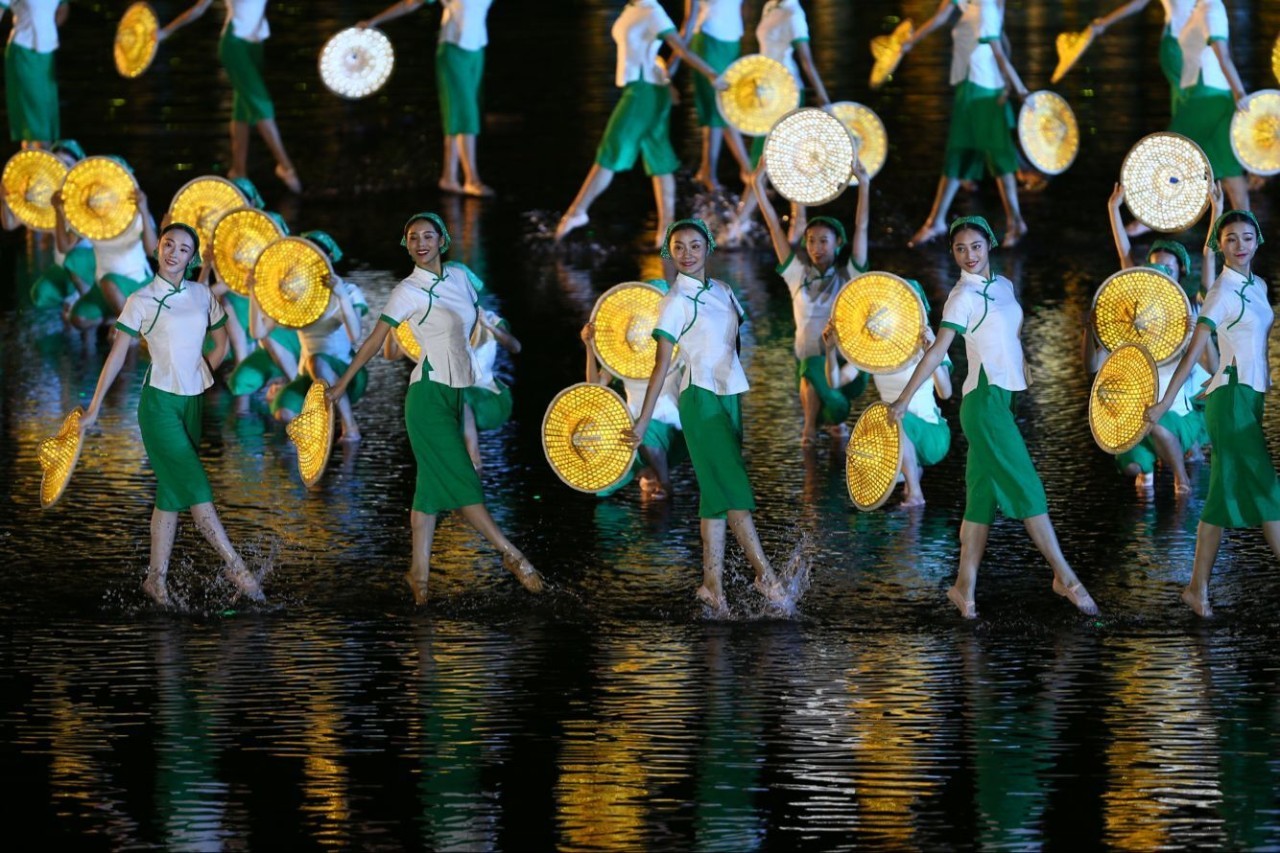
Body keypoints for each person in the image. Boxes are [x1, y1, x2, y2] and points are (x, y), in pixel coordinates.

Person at [327, 212, 543, 604]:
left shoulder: (460, 277)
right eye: (413, 237)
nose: (421, 243)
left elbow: (473, 327)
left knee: (428, 494)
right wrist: (343, 382)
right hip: (427, 397)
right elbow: (376, 341)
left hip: (456, 394)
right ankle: (512, 555)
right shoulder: (408, 290)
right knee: (466, 485)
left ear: (442, 240)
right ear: (407, 245)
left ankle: (419, 576)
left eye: (428, 236)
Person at [888, 216, 1098, 619]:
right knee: (1028, 487)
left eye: (975, 246)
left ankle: (964, 588)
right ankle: (1065, 577)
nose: (969, 255)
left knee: (980, 500)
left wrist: (1024, 368)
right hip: (983, 404)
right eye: (960, 248)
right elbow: (937, 352)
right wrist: (903, 398)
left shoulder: (1004, 286)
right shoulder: (960, 297)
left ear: (990, 246)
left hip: (1005, 400)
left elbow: (1008, 337)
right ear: (953, 253)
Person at [79, 223, 263, 606]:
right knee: (197, 489)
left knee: (170, 493)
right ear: (158, 248)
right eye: (168, 244)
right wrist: (94, 406)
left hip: (192, 403)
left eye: (183, 249)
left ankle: (155, 580)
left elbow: (222, 342)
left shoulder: (202, 294)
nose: (173, 253)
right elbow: (117, 355)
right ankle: (237, 568)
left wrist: (203, 372)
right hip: (159, 405)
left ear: (192, 258)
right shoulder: (141, 299)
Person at [625, 219, 786, 615]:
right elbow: (661, 365)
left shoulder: (725, 291)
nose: (687, 253)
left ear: (708, 248)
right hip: (699, 399)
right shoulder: (675, 301)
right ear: (669, 252)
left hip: (730, 396)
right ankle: (765, 575)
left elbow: (734, 341)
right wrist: (643, 420)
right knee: (734, 486)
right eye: (678, 247)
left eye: (695, 246)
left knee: (715, 493)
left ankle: (712, 585)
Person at [1146, 190, 1280, 617]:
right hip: (1231, 399)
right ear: (1219, 246)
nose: (1239, 246)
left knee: (1221, 497)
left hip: (1249, 397)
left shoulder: (1258, 285)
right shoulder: (1221, 291)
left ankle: (1197, 589)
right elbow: (1193, 352)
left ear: (1257, 241)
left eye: (1246, 238)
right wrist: (1166, 401)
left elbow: (1254, 340)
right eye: (1230, 239)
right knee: (1268, 488)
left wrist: (1260, 374)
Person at [554, 0, 729, 249]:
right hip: (646, 88)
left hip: (644, 92)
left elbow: (681, 49)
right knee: (659, 159)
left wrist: (711, 74)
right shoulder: (633, 8)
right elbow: (650, 53)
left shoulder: (653, 12)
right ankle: (666, 230)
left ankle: (578, 210)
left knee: (611, 149)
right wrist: (665, 79)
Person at [1095, 182, 1211, 494]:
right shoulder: (1137, 307)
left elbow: (1209, 266)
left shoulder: (1191, 310)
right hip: (1142, 399)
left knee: (1157, 422)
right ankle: (1154, 468)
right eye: (1154, 266)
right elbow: (1125, 257)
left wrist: (1216, 212)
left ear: (1180, 273)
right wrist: (1114, 208)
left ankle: (1181, 478)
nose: (1160, 272)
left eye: (1168, 268)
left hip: (1175, 403)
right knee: (1133, 467)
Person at [751, 158, 870, 446]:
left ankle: (812, 429)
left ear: (838, 243)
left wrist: (864, 184)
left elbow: (862, 228)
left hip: (842, 365)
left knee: (831, 402)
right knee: (810, 370)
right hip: (806, 364)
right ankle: (818, 425)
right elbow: (774, 229)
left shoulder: (849, 276)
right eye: (811, 240)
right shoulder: (797, 275)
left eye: (824, 241)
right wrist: (757, 184)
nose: (816, 247)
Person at [901, 0, 1030, 249]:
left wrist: (1016, 87)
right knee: (962, 152)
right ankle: (936, 221)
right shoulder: (972, 5)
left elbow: (999, 50)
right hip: (970, 86)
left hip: (983, 91)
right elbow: (940, 18)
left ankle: (1014, 221)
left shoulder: (985, 9)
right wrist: (910, 41)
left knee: (996, 156)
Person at [158, 0, 302, 193]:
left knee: (242, 109)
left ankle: (238, 171)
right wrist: (165, 32)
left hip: (255, 47)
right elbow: (199, 9)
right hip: (234, 46)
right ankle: (285, 167)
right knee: (262, 105)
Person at [358, 0, 495, 197]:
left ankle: (449, 177)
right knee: (466, 113)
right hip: (453, 49)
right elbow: (410, 3)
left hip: (477, 50)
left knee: (458, 113)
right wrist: (374, 21)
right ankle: (472, 180)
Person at [725, 0, 832, 244]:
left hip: (787, 93)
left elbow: (806, 61)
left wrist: (823, 97)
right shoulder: (771, 6)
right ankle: (785, 222)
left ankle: (742, 224)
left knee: (779, 160)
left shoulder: (794, 15)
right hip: (767, 93)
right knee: (771, 160)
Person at [251, 230, 365, 441]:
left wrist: (341, 296)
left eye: (318, 255)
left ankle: (350, 427)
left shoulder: (348, 290)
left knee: (317, 362)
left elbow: (355, 336)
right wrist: (254, 292)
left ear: (329, 258)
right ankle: (319, 438)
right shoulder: (295, 295)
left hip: (344, 371)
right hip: (310, 375)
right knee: (283, 412)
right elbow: (258, 332)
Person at [581, 279, 685, 499]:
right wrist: (590, 348)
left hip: (672, 431)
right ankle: (648, 473)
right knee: (602, 487)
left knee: (645, 433)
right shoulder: (622, 358)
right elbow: (595, 389)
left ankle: (664, 483)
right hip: (632, 430)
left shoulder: (678, 350)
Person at [50, 159, 159, 330]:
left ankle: (133, 330)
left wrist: (144, 210)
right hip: (104, 286)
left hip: (136, 283)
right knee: (78, 318)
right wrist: (58, 211)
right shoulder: (89, 219)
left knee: (109, 284)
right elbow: (64, 247)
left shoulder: (136, 215)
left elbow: (152, 251)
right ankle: (117, 319)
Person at [679, 0, 750, 191]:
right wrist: (678, 53)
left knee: (727, 107)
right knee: (715, 107)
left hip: (732, 42)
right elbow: (690, 17)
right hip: (708, 41)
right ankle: (713, 173)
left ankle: (717, 170)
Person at [1087, 0, 1195, 116]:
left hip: (1198, 45)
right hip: (1176, 46)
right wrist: (1105, 22)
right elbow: (1139, 3)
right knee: (1190, 99)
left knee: (1190, 100)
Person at [1, 0, 66, 147]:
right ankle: (33, 157)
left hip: (47, 52)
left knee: (46, 113)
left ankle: (42, 157)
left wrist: (46, 30)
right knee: (33, 116)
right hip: (24, 50)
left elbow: (63, 8)